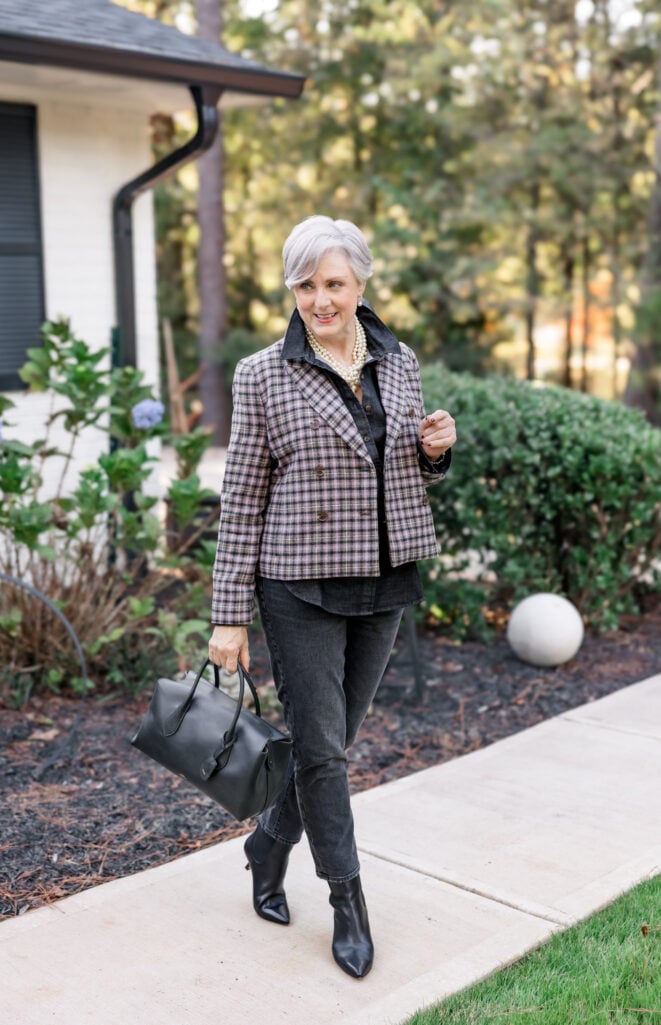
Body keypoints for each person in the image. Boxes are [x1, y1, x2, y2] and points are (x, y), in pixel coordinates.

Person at [208, 215, 456, 979]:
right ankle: (347, 901)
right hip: (299, 585)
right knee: (321, 751)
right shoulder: (262, 374)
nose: (320, 299)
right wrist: (227, 615)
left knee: (330, 746)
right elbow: (242, 497)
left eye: (334, 283)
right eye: (305, 284)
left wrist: (431, 452)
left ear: (360, 284)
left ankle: (268, 840)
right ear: (291, 288)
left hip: (383, 577)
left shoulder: (399, 360)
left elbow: (399, 473)